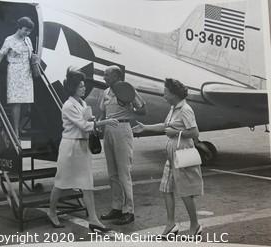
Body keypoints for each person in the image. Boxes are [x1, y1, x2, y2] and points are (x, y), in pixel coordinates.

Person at [48, 68, 119, 231]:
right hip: (70, 147)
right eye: (80, 86)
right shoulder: (68, 105)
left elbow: (88, 122)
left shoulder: (83, 103)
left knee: (87, 184)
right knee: (61, 182)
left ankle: (93, 219)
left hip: (82, 147)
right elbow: (83, 125)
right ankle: (52, 212)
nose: (84, 88)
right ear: (73, 88)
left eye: (83, 85)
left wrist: (95, 121)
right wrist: (104, 122)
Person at [132, 78, 203, 237]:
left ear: (174, 94)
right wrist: (145, 128)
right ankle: (171, 225)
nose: (163, 95)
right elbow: (165, 126)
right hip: (172, 152)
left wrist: (176, 133)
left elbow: (194, 132)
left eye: (166, 93)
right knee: (166, 188)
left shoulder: (185, 109)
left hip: (182, 150)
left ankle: (195, 225)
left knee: (185, 191)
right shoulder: (174, 108)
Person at [98, 65, 146, 225]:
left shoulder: (128, 89)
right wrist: (97, 127)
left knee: (124, 173)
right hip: (108, 130)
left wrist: (129, 104)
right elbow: (102, 113)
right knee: (112, 173)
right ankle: (116, 207)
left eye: (107, 75)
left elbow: (142, 110)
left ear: (116, 76)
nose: (104, 77)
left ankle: (129, 211)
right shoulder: (105, 92)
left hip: (122, 129)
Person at [0, 17, 36, 138]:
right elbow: (0, 56)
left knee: (26, 103)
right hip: (14, 72)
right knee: (16, 102)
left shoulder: (28, 40)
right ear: (19, 27)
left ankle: (19, 126)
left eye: (29, 31)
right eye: (25, 30)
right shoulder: (9, 40)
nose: (27, 33)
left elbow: (31, 54)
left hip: (27, 73)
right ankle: (15, 131)